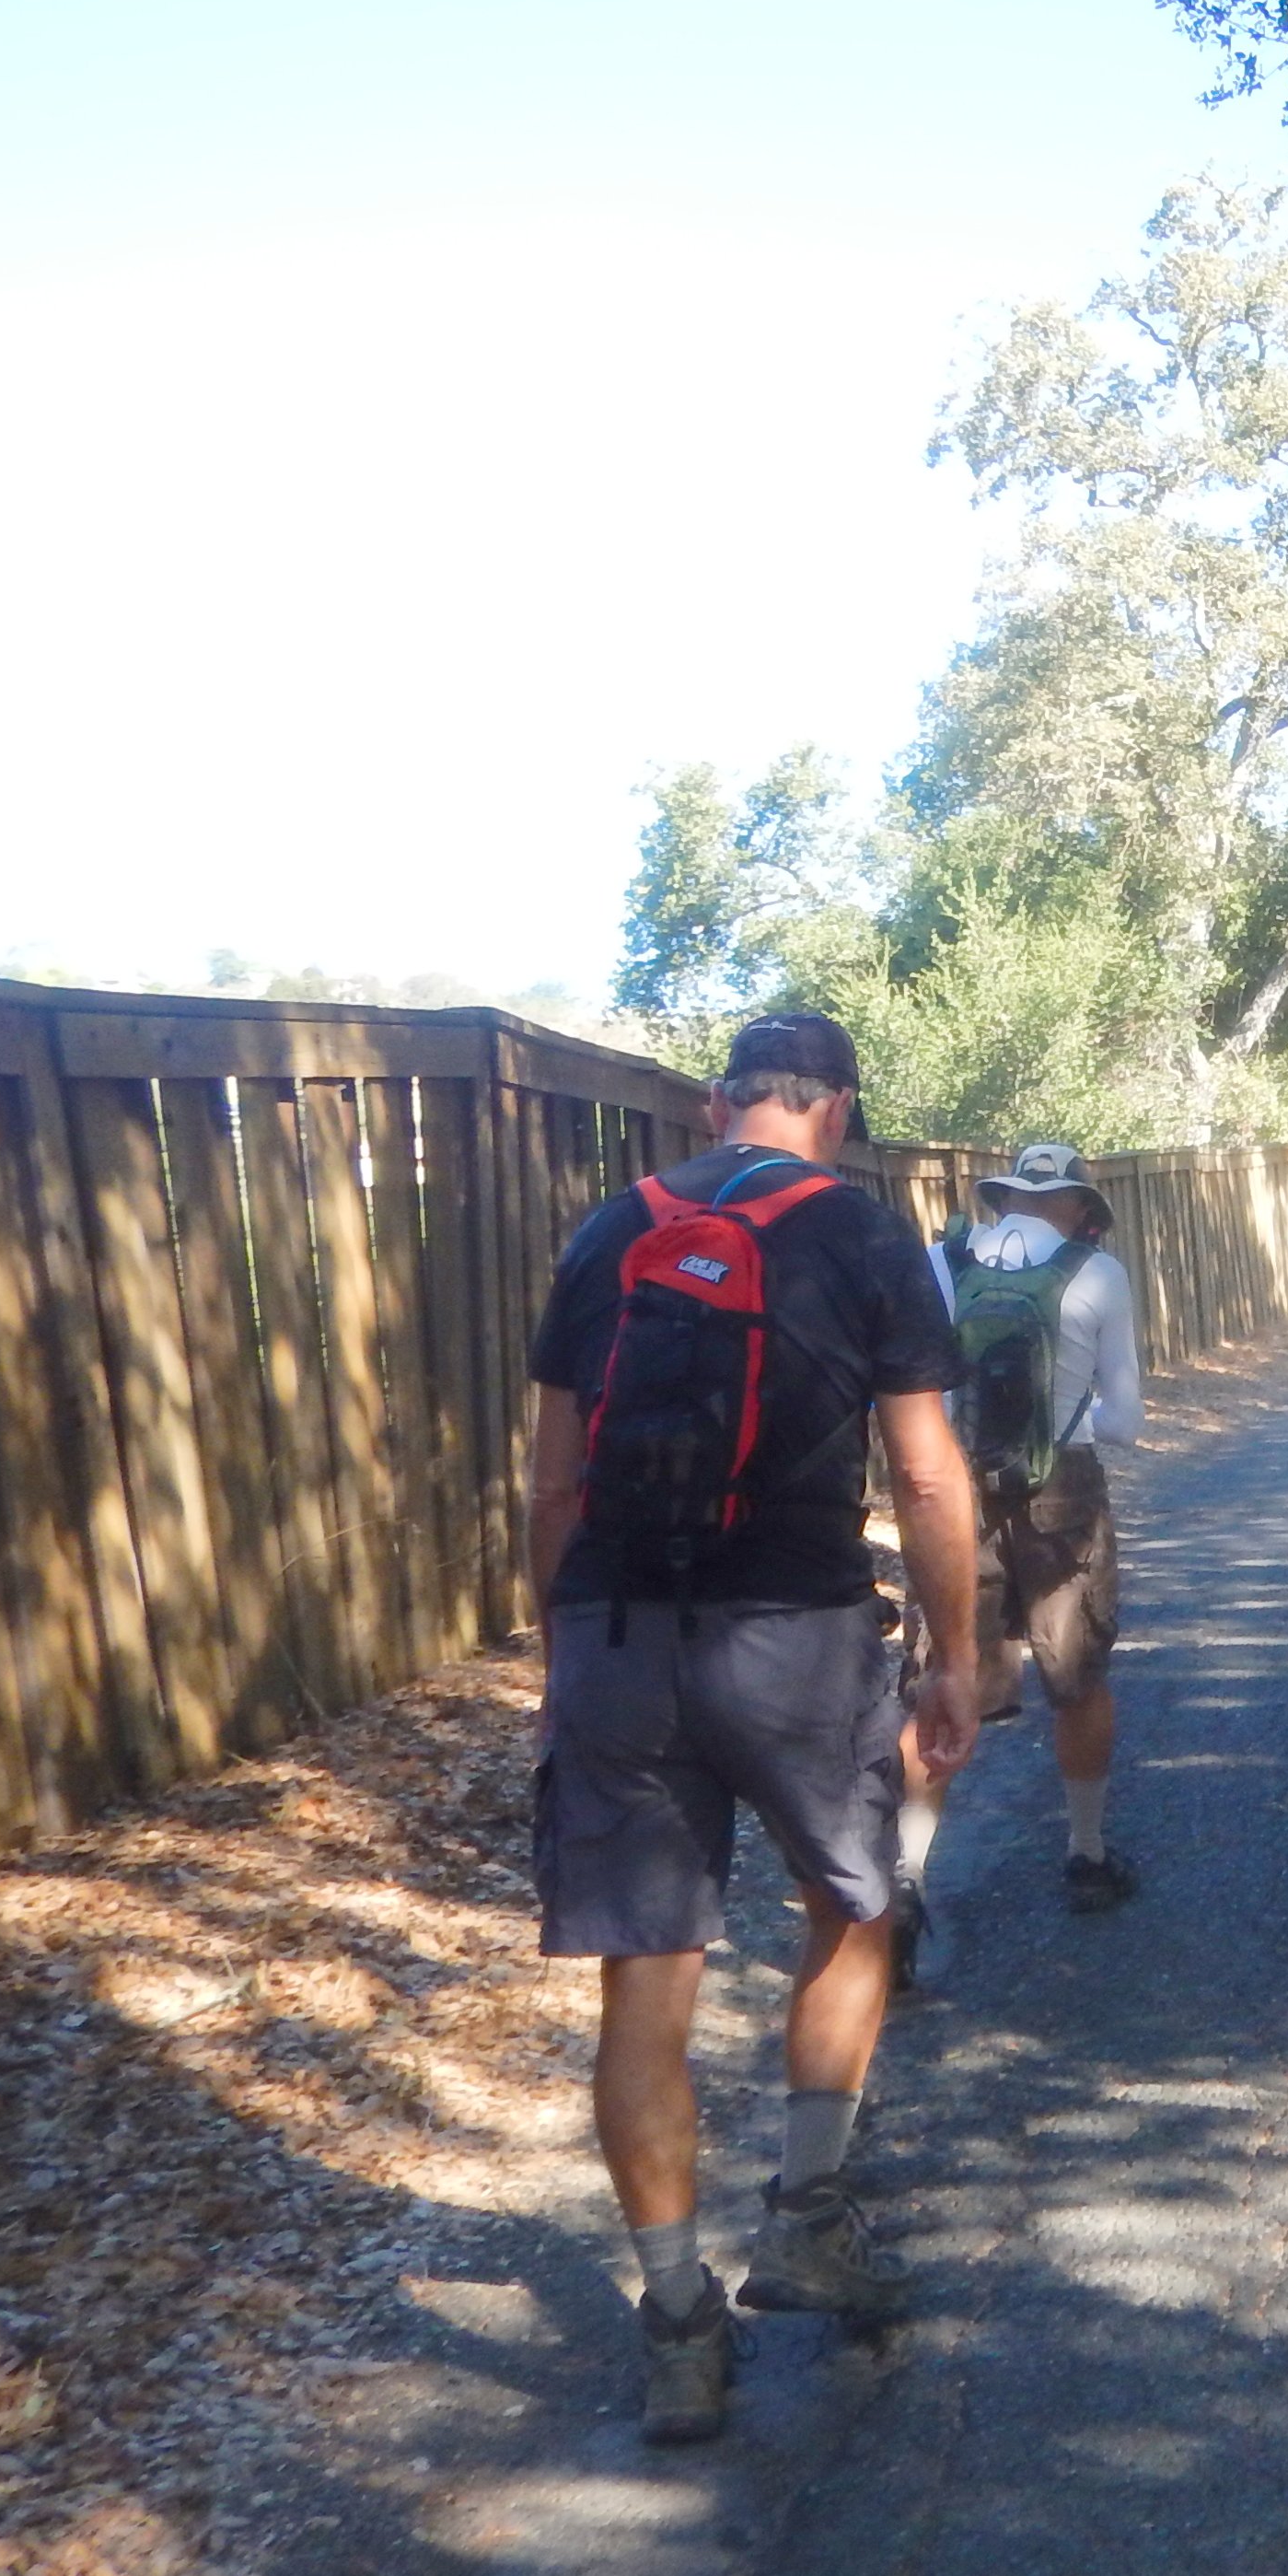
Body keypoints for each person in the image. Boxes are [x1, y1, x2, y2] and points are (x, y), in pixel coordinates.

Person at [522, 1009, 982, 2446]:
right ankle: (804, 2217)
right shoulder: (860, 1234)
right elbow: (922, 1475)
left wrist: (569, 1641)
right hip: (796, 1637)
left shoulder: (609, 1232)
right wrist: (955, 1653)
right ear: (836, 1113)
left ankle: (675, 2327)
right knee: (852, 1906)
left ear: (720, 1104)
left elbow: (546, 1483)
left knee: (642, 1989)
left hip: (619, 1640)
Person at [893, 1140, 1145, 1933]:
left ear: (1004, 1197)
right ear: (1076, 1207)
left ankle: (903, 1878)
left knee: (940, 1675)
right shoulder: (1097, 1273)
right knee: (1078, 1676)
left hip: (953, 1488)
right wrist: (1064, 1417)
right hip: (1061, 1488)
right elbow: (1126, 1423)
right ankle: (1087, 1853)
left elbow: (905, 1397)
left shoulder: (943, 1261)